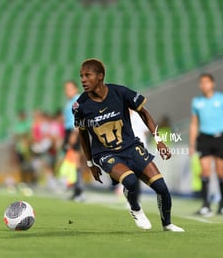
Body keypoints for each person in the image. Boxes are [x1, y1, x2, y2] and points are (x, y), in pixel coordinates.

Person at [73, 58, 184, 232]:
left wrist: (159, 140)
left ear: (100, 76)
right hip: (105, 153)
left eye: (88, 75)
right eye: (81, 76)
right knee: (131, 181)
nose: (83, 80)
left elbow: (144, 113)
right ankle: (135, 208)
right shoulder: (81, 105)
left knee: (161, 187)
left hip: (131, 147)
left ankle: (167, 224)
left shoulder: (120, 92)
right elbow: (82, 134)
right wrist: (90, 163)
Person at [189, 73, 223, 216]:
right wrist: (191, 144)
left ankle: (222, 204)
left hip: (220, 137)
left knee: (221, 171)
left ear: (212, 84)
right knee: (204, 170)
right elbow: (194, 124)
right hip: (204, 138)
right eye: (201, 82)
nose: (204, 85)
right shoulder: (196, 101)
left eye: (207, 82)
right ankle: (206, 205)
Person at [63, 80, 85, 201]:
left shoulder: (77, 100)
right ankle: (75, 189)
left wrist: (74, 133)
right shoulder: (69, 102)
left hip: (74, 131)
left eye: (70, 88)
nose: (67, 91)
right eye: (66, 89)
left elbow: (80, 117)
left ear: (76, 89)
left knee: (76, 160)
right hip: (68, 131)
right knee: (71, 160)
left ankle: (79, 190)